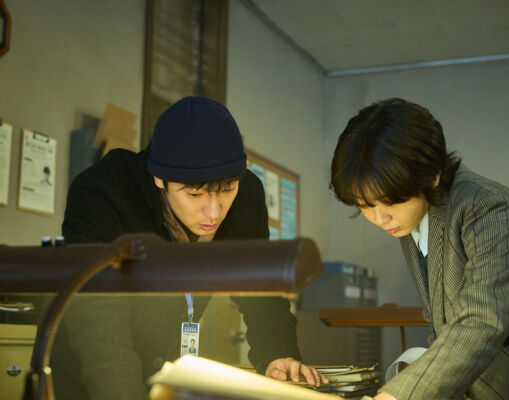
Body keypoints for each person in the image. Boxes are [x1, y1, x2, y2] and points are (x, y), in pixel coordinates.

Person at [56, 96, 326, 399]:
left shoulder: (247, 195)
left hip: (168, 375)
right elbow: (99, 326)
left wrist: (278, 354)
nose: (214, 212)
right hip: (90, 380)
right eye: (195, 195)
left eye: (227, 190)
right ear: (160, 178)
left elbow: (261, 289)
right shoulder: (103, 193)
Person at [329, 98, 509, 400]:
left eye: (391, 201)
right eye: (366, 205)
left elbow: (482, 320)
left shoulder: (484, 207)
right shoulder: (412, 220)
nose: (380, 218)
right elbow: (445, 321)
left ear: (432, 174)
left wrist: (396, 396)